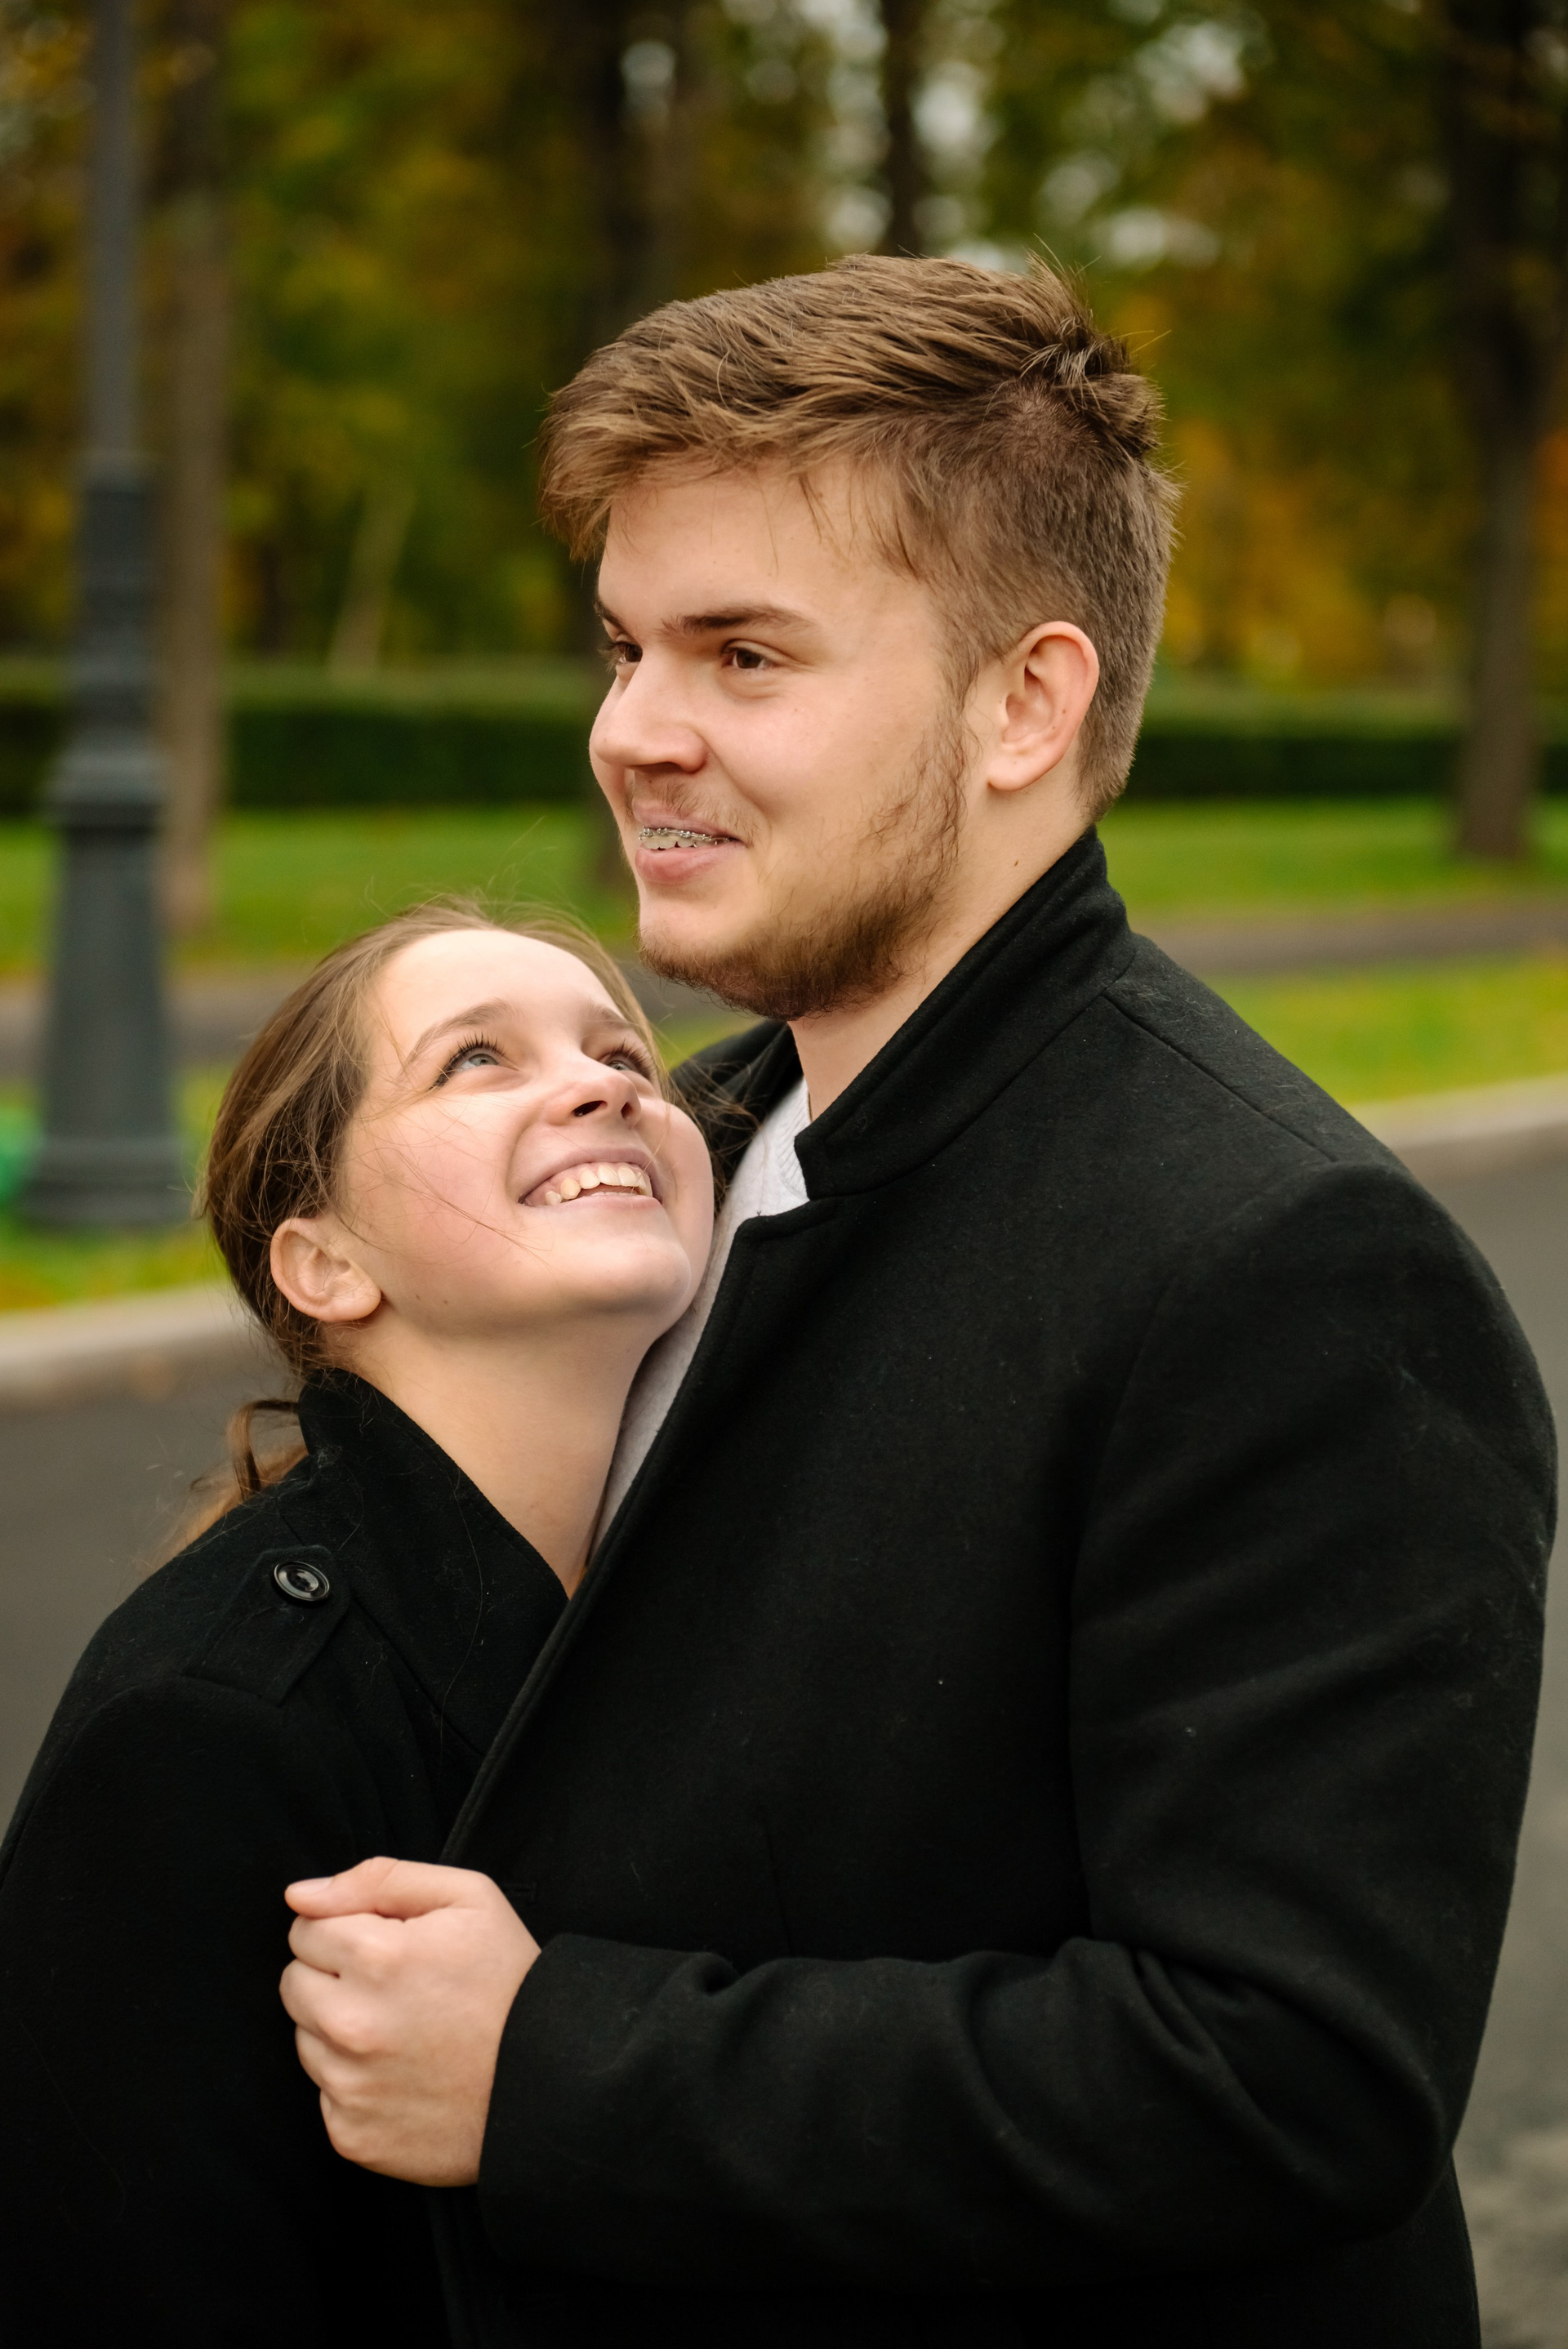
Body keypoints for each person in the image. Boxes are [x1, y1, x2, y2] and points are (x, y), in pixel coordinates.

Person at [276, 255, 1554, 2347]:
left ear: (1024, 705)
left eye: (744, 654)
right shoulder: (686, 1148)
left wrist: (557, 2068)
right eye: (624, 647)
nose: (633, 731)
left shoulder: (1288, 1266)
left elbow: (1288, 2075)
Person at [0, 903, 714, 2343]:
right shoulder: (202, 1733)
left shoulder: (730, 1606)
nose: (603, 1087)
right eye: (476, 1060)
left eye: (623, 1052)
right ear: (325, 1264)